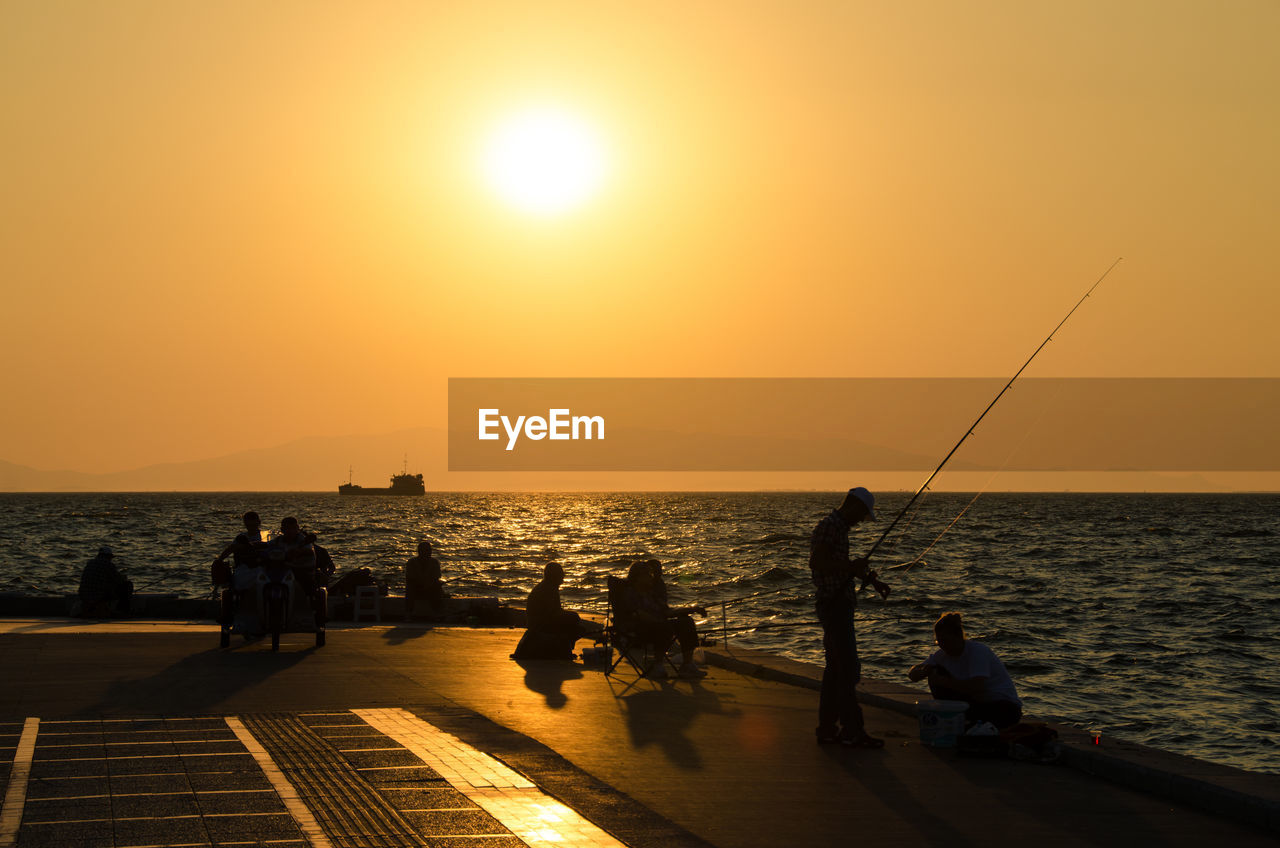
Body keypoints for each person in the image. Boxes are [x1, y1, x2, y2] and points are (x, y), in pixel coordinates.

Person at [809, 486, 890, 748]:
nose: (859, 522)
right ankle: (852, 731)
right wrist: (850, 566)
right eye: (861, 515)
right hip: (834, 606)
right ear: (853, 506)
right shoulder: (830, 525)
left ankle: (828, 729)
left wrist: (871, 581)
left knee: (835, 671)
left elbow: (840, 566)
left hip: (839, 604)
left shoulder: (839, 528)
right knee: (847, 669)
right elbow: (817, 562)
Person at [908, 612, 1023, 729]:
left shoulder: (977, 652)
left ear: (958, 636)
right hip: (975, 705)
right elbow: (912, 674)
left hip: (1002, 707)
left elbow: (977, 687)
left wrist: (943, 682)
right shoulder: (941, 655)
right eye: (939, 641)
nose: (942, 645)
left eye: (946, 640)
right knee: (934, 670)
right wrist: (923, 671)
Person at [617, 560, 706, 679]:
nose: (651, 577)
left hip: (659, 624)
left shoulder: (652, 594)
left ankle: (687, 665)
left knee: (686, 622)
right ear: (638, 577)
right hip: (638, 629)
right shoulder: (630, 593)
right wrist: (656, 620)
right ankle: (657, 665)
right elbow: (635, 613)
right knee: (663, 626)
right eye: (647, 574)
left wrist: (692, 609)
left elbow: (667, 612)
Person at [512, 562, 586, 660]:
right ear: (554, 576)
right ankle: (562, 650)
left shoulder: (549, 587)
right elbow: (551, 614)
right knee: (575, 621)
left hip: (543, 622)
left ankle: (565, 649)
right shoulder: (546, 589)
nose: (563, 578)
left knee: (575, 621)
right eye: (561, 575)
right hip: (540, 626)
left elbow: (555, 612)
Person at [213, 511, 265, 588]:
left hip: (262, 567)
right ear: (245, 524)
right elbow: (230, 549)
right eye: (248, 524)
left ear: (259, 523)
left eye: (253, 524)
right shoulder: (241, 537)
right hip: (244, 567)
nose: (251, 526)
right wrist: (220, 559)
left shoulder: (265, 536)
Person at [77, 546, 132, 618]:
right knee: (127, 585)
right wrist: (124, 577)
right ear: (108, 556)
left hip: (83, 594)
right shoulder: (108, 564)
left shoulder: (90, 563)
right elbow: (118, 579)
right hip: (98, 595)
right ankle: (123, 611)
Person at [404, 541, 446, 619]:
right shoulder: (411, 562)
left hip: (430, 587)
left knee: (437, 587)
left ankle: (437, 613)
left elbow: (436, 576)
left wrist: (429, 584)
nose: (428, 552)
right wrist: (421, 584)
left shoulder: (434, 562)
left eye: (429, 550)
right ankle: (408, 613)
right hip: (416, 588)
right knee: (409, 588)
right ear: (419, 551)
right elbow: (409, 578)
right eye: (425, 550)